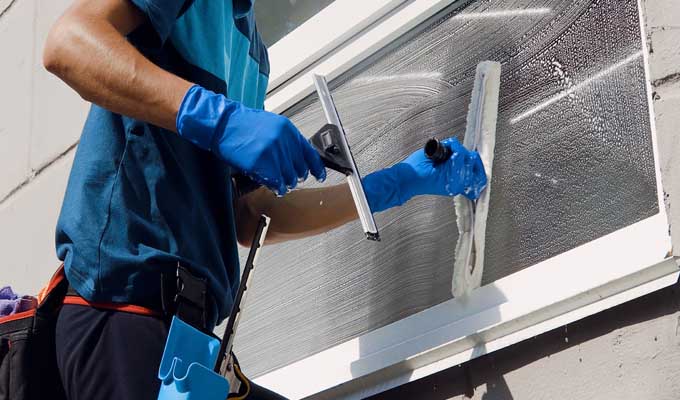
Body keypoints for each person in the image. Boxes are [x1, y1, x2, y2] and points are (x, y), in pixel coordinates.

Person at [42, 0, 486, 399]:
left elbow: (248, 216)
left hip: (192, 339)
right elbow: (68, 45)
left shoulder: (253, 52)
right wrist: (221, 121)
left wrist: (393, 185)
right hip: (121, 312)